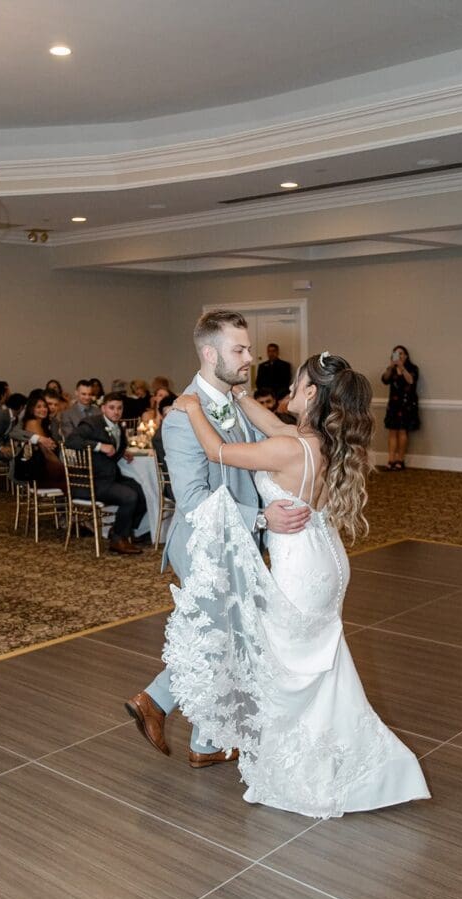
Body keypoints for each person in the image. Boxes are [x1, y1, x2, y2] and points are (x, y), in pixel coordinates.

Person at [167, 351, 430, 818]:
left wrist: (190, 409)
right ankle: (350, 753)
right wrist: (237, 396)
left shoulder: (291, 447)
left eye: (297, 384)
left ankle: (305, 767)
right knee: (318, 669)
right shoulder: (315, 440)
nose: (288, 389)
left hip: (299, 570)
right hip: (325, 560)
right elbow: (270, 423)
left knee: (286, 671)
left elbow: (217, 452)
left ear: (311, 394)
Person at [124, 309, 310, 768]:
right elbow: (192, 501)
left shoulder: (234, 401)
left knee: (226, 639)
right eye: (239, 350)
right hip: (202, 544)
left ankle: (193, 732)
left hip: (238, 539)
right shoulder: (182, 417)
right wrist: (261, 519)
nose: (249, 358)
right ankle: (168, 712)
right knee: (225, 637)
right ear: (210, 353)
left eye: (248, 348)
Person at [66, 392, 146, 555]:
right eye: (112, 408)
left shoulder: (117, 426)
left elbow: (114, 447)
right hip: (92, 481)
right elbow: (71, 441)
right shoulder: (91, 423)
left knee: (140, 490)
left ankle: (121, 531)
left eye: (119, 408)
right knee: (129, 496)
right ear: (103, 408)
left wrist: (122, 451)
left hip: (110, 477)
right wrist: (99, 446)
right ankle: (118, 539)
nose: (116, 412)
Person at [381, 345, 420, 470]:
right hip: (393, 404)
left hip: (407, 404)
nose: (399, 356)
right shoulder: (391, 369)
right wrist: (392, 366)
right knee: (392, 431)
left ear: (406, 356)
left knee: (403, 431)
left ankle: (400, 460)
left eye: (401, 353)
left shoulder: (412, 369)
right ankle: (391, 459)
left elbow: (411, 381)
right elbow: (385, 379)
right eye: (396, 353)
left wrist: (402, 368)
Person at [21, 391, 65, 491]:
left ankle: (65, 504)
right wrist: (61, 466)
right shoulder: (32, 423)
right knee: (71, 476)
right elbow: (46, 452)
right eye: (39, 407)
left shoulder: (46, 423)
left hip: (45, 465)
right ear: (32, 409)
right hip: (38, 469)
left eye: (45, 406)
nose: (44, 409)